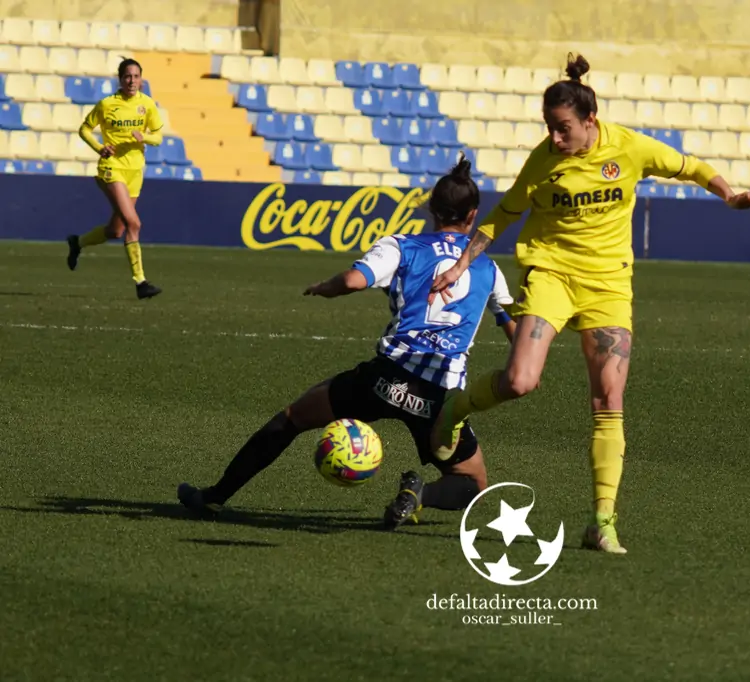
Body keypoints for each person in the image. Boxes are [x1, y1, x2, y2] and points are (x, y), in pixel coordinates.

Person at [428, 54, 750, 555]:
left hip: (608, 285)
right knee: (520, 381)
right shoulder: (543, 162)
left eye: (563, 127)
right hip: (552, 275)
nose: (555, 138)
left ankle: (601, 521)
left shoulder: (628, 147)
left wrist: (728, 194)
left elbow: (689, 166)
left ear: (591, 121)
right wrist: (459, 267)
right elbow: (504, 215)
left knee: (608, 402)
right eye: (548, 127)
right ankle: (455, 408)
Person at [177, 156, 516, 528]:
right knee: (473, 482)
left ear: (431, 208)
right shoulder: (489, 268)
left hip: (386, 378)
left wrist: (324, 288)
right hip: (443, 396)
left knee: (292, 419)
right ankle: (421, 494)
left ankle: (214, 498)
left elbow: (354, 280)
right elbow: (514, 329)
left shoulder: (403, 246)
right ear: (473, 215)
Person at [66, 57, 163, 300]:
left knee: (116, 230)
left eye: (136, 76)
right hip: (112, 168)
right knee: (134, 223)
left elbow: (158, 136)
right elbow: (84, 129)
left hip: (135, 171)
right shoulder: (107, 105)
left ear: (141, 80)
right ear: (120, 79)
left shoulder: (147, 105)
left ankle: (78, 243)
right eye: (128, 76)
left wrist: (144, 138)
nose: (132, 81)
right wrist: (100, 149)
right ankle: (141, 282)